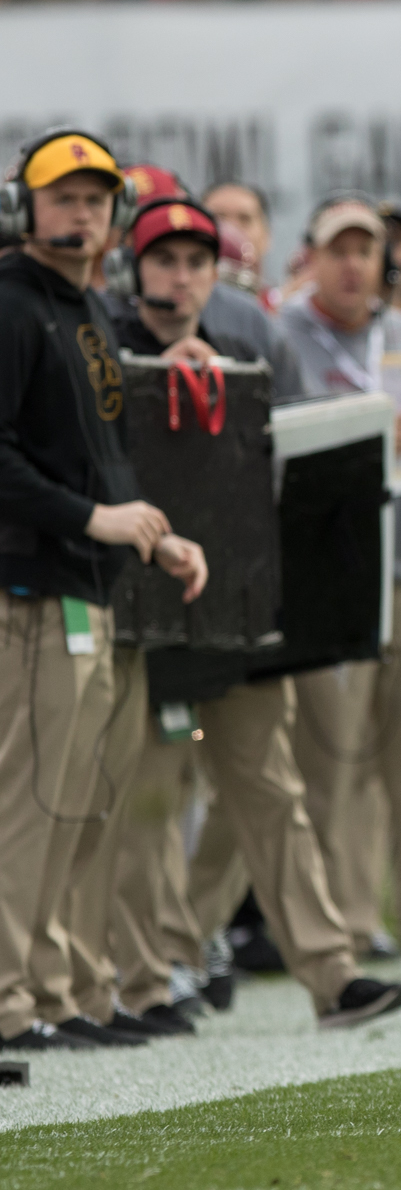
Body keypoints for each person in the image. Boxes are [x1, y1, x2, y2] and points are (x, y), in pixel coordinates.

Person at [102, 195, 401, 1032]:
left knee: (271, 790)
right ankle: (142, 978)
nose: (181, 276)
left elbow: (307, 452)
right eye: (164, 261)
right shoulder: (100, 340)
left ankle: (331, 973)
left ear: (216, 271)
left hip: (234, 601)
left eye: (196, 262)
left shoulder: (249, 336)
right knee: (144, 800)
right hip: (136, 607)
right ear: (135, 270)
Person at [0, 129, 207, 1052]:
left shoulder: (82, 307)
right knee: (26, 805)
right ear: (24, 206)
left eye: (94, 197)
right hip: (30, 589)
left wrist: (151, 534)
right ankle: (9, 1003)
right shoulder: (11, 303)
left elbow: (96, 456)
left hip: (84, 586)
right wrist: (94, 518)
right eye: (62, 196)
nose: (80, 212)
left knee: (69, 808)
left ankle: (47, 996)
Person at [275, 196, 401, 975]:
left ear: (387, 263)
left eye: (367, 250)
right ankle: (352, 931)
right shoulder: (285, 336)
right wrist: (356, 431)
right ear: (311, 259)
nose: (355, 263)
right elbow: (270, 443)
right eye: (339, 250)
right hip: (337, 569)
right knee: (335, 763)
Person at [201, 181, 274, 306]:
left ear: (266, 236)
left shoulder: (282, 311)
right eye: (218, 218)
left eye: (244, 218)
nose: (231, 228)